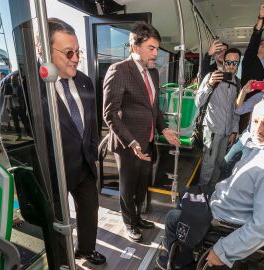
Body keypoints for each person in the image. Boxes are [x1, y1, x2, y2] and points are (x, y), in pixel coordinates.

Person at [157, 98, 264, 269]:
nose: (258, 129)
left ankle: (180, 263)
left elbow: (263, 228)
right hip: (223, 200)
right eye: (255, 121)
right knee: (186, 195)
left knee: (172, 218)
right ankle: (184, 252)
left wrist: (224, 251)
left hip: (226, 221)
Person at [103, 22, 180, 243]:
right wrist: (131, 142)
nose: (156, 53)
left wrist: (163, 128)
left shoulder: (153, 73)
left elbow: (154, 108)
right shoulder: (118, 71)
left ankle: (137, 218)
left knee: (141, 185)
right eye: (151, 48)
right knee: (127, 188)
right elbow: (109, 114)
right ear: (135, 47)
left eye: (157, 48)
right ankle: (129, 223)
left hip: (147, 142)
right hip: (128, 144)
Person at [41, 18, 105, 265]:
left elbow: (92, 123)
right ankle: (62, 262)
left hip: (86, 166)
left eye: (77, 51)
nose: (76, 58)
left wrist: (95, 156)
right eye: (69, 52)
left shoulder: (85, 80)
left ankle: (86, 250)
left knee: (90, 211)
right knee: (57, 222)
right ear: (44, 51)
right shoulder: (23, 85)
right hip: (52, 174)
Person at [195, 48, 241, 186]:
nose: (231, 66)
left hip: (227, 132)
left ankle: (213, 190)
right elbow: (198, 102)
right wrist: (209, 85)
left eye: (235, 62)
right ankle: (202, 192)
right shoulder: (211, 77)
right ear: (223, 62)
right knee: (208, 163)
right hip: (212, 129)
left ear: (238, 64)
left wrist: (234, 130)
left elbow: (236, 110)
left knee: (220, 163)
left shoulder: (238, 83)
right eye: (228, 62)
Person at [239, 3, 264, 133]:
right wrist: (261, 18)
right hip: (249, 104)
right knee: (245, 133)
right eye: (262, 43)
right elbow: (255, 38)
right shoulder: (249, 60)